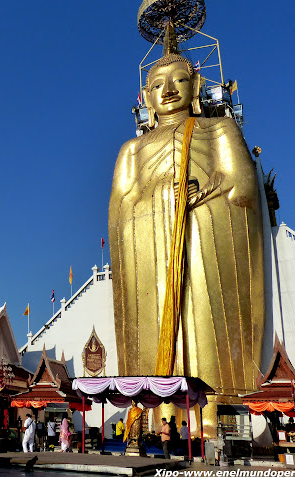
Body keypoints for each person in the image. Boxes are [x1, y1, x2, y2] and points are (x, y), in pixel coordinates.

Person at [108, 22, 265, 429]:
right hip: (153, 249)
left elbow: (242, 186)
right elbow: (121, 207)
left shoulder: (219, 129)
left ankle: (213, 406)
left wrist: (203, 194)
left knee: (202, 312)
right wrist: (161, 202)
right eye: (158, 84)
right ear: (146, 97)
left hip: (204, 239)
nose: (169, 89)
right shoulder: (132, 149)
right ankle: (154, 407)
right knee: (158, 313)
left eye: (179, 79)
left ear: (196, 88)